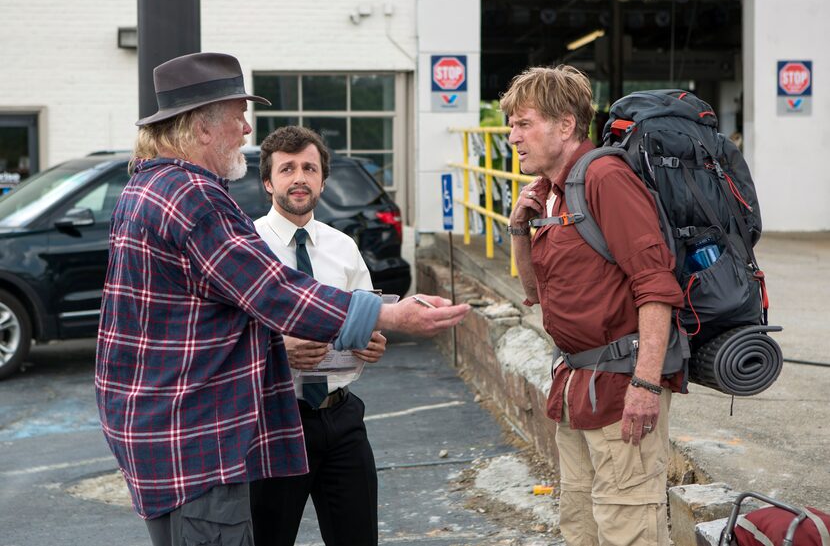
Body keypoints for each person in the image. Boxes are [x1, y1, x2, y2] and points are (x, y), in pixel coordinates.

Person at [94, 52, 469, 546]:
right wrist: (391, 314)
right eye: (236, 117)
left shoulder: (146, 188)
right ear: (203, 129)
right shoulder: (194, 197)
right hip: (197, 440)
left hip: (162, 432)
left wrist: (366, 330)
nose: (246, 130)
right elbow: (276, 293)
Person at [503, 65, 685, 546]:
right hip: (578, 391)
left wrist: (645, 385)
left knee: (629, 531)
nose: (512, 137)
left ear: (565, 125)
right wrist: (521, 228)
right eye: (512, 126)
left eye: (524, 124)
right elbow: (536, 294)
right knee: (581, 526)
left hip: (622, 391)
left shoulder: (605, 178)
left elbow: (655, 285)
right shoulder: (552, 194)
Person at [249, 126, 383, 545]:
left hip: (340, 416)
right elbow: (227, 333)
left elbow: (368, 315)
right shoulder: (247, 244)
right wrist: (279, 348)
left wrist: (373, 340)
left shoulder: (343, 246)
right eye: (286, 169)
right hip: (273, 421)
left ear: (323, 179)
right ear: (269, 182)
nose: (299, 178)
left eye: (309, 168)